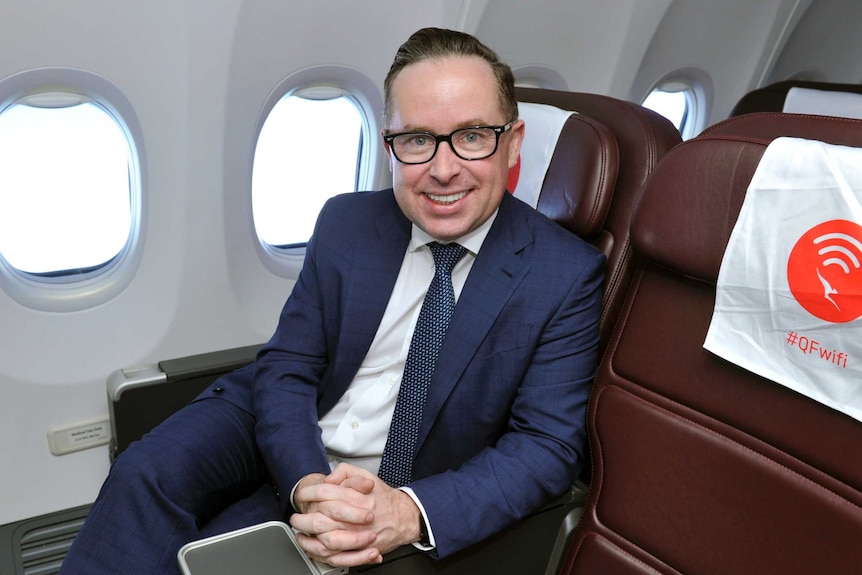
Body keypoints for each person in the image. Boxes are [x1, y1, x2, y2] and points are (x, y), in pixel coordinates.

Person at [59, 27, 604, 574]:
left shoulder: (563, 274)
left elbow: (545, 447)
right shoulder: (347, 222)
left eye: (472, 136)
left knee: (220, 558)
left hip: (405, 477)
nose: (442, 169)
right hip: (287, 425)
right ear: (390, 142)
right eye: (417, 139)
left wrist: (408, 512)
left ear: (513, 142)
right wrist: (305, 483)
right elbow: (289, 365)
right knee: (143, 473)